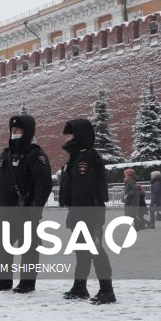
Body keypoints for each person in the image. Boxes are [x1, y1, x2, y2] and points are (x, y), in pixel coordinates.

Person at [0, 114, 53, 293]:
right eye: (12, 130)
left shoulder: (35, 155)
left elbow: (44, 184)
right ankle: (3, 280)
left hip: (26, 211)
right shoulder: (5, 156)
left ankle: (27, 282)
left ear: (27, 132)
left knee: (28, 247)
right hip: (6, 212)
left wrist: (36, 207)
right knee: (2, 245)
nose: (14, 133)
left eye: (18, 130)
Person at [58, 119, 116, 304]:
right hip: (79, 211)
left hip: (89, 212)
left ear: (79, 135)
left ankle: (107, 290)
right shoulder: (77, 157)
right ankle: (80, 287)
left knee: (95, 249)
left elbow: (84, 189)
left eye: (69, 134)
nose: (66, 138)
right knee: (81, 250)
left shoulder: (86, 157)